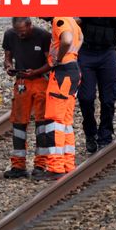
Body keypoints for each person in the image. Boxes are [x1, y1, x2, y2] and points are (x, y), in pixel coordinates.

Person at [1, 17, 52, 178]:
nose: (20, 35)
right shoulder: (10, 35)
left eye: (22, 32)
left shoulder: (43, 36)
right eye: (17, 32)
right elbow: (7, 57)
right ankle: (18, 165)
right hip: (22, 82)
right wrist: (9, 66)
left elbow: (51, 62)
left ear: (30, 26)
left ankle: (40, 164)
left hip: (40, 81)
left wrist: (35, 72)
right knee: (18, 123)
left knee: (42, 123)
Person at [34, 17, 83, 180]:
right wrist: (71, 56)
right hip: (73, 70)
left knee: (54, 121)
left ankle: (56, 167)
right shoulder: (71, 19)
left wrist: (59, 58)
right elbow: (80, 38)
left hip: (62, 73)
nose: (40, 16)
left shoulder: (59, 19)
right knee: (66, 122)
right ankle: (68, 164)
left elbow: (67, 40)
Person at [77, 17, 116, 153]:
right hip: (86, 52)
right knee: (86, 97)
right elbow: (72, 22)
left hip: (107, 53)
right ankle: (90, 133)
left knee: (108, 98)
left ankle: (105, 134)